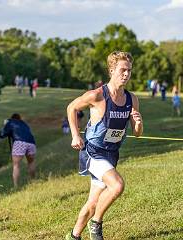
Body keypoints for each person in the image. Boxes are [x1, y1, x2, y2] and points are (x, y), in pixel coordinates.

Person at [65, 51, 143, 240]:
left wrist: (139, 124)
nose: (126, 74)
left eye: (129, 71)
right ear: (112, 70)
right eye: (122, 70)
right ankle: (96, 224)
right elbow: (72, 107)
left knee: (92, 204)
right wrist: (75, 135)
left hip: (111, 155)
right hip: (92, 152)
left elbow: (137, 133)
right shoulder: (97, 95)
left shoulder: (132, 99)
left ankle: (73, 236)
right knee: (117, 186)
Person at [0, 113, 36, 187]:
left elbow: (2, 134)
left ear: (12, 118)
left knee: (16, 165)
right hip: (31, 143)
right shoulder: (24, 124)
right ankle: (33, 181)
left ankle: (16, 186)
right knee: (31, 162)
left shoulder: (10, 122)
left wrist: (5, 126)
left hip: (19, 142)